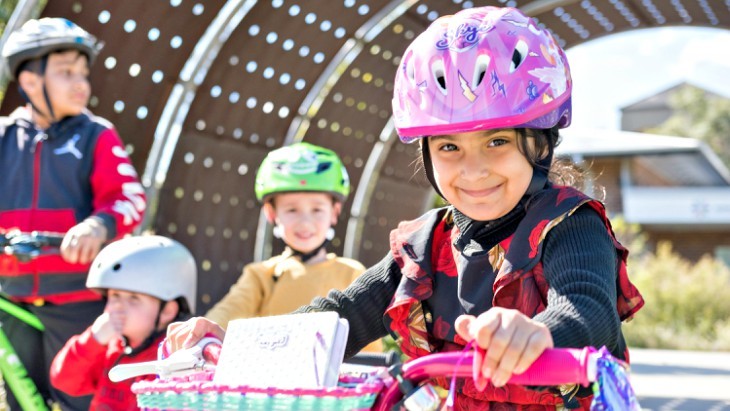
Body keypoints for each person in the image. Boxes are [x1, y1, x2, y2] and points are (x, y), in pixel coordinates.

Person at [166, 6, 644, 409]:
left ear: (540, 144)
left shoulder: (569, 224)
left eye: (497, 141)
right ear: (426, 155)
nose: (473, 171)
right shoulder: (422, 246)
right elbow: (341, 315)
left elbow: (587, 309)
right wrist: (236, 344)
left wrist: (535, 333)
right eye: (449, 148)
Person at [0, 18, 146, 409]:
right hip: (13, 300)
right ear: (30, 81)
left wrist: (99, 225)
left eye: (83, 72)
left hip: (79, 301)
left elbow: (130, 198)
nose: (81, 82)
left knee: (82, 398)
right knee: (21, 400)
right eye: (66, 72)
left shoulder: (97, 135)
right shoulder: (3, 138)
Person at [205, 142, 379, 351]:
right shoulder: (261, 275)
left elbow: (370, 346)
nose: (305, 222)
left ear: (334, 212)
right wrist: (206, 330)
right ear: (271, 213)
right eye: (292, 210)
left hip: (336, 381)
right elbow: (227, 312)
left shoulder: (352, 272)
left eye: (317, 210)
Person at [49, 235, 197, 410]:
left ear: (167, 311)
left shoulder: (171, 361)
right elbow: (64, 380)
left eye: (133, 298)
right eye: (115, 296)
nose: (118, 306)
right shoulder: (109, 345)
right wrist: (92, 339)